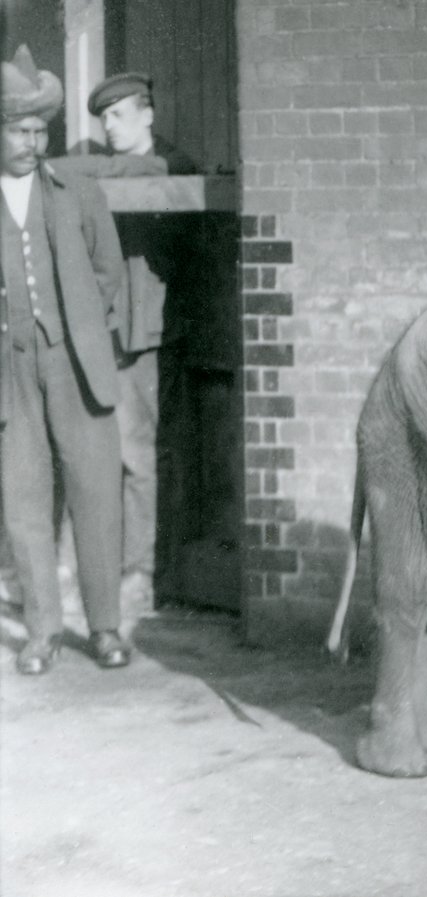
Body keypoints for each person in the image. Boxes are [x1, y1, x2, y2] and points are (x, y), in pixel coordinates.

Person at [0, 45, 131, 673]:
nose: (32, 141)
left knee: (96, 490)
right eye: (19, 130)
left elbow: (108, 272)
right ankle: (43, 632)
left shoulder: (75, 190)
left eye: (39, 129)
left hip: (76, 365)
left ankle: (105, 628)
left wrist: (78, 326)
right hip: (9, 372)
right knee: (24, 499)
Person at [86, 72, 198, 613]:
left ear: (148, 114)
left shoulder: (176, 167)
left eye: (118, 115)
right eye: (103, 118)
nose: (108, 126)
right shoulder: (103, 169)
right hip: (109, 332)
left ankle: (143, 573)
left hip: (152, 334)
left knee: (143, 456)